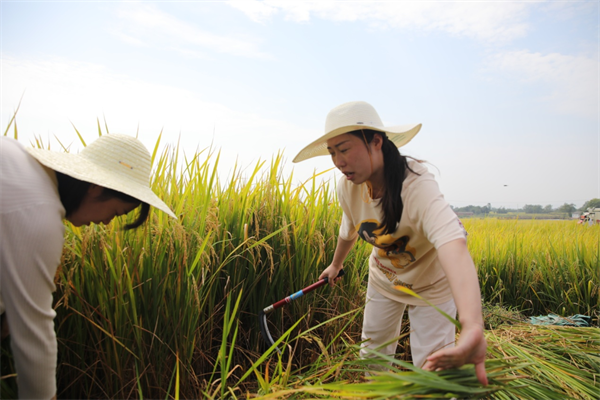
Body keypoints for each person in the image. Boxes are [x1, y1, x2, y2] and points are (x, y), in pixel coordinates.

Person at [292, 101, 488, 385]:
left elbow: (452, 243)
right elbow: (349, 229)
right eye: (331, 152)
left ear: (376, 142)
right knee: (373, 357)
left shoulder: (416, 184)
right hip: (385, 280)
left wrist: (472, 326)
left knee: (435, 367)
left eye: (344, 149)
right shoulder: (348, 186)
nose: (338, 161)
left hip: (431, 285)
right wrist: (335, 264)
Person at [0, 133, 177, 399]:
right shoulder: (40, 213)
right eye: (115, 213)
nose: (107, 223)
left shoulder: (15, 159)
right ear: (95, 185)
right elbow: (34, 337)